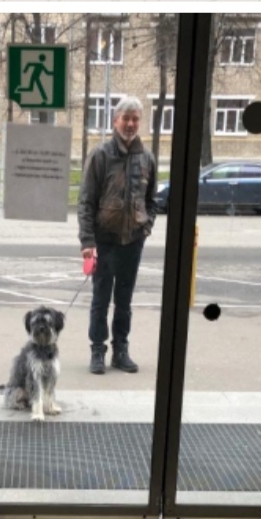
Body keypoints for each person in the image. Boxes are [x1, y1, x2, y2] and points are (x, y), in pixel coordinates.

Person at [78, 96, 157, 375]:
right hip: (104, 241)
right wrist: (87, 241)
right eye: (126, 118)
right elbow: (86, 202)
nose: (130, 124)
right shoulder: (100, 155)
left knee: (124, 301)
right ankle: (97, 350)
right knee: (100, 300)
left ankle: (120, 351)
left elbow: (152, 200)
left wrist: (146, 227)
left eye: (135, 119)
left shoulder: (146, 158)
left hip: (132, 242)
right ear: (115, 121)